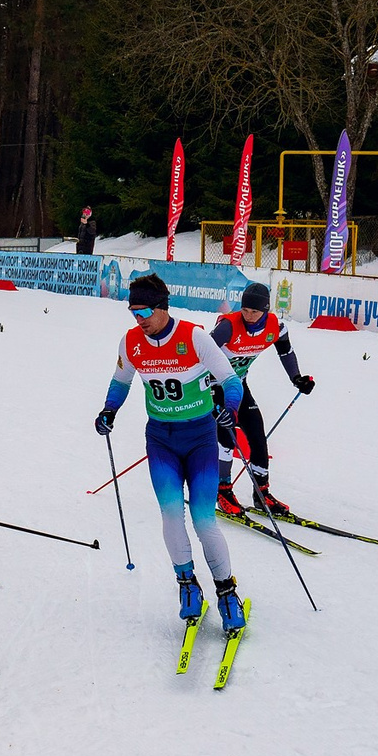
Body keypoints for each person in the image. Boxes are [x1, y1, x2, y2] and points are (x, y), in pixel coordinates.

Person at [95, 270, 246, 636]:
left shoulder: (194, 337)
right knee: (170, 514)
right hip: (161, 439)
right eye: (133, 313)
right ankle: (187, 585)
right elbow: (121, 381)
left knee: (203, 518)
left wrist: (231, 408)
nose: (139, 319)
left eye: (144, 311)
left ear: (163, 308)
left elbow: (231, 380)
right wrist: (108, 410)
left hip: (199, 439)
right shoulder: (130, 342)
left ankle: (227, 592)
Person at [209, 282, 315, 519]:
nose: (248, 316)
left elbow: (285, 352)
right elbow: (200, 356)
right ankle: (222, 490)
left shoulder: (275, 327)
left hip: (238, 384)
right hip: (212, 385)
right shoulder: (228, 327)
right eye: (245, 310)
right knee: (226, 436)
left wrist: (297, 378)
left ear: (265, 310)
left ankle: (261, 493)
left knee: (256, 433)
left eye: (254, 312)